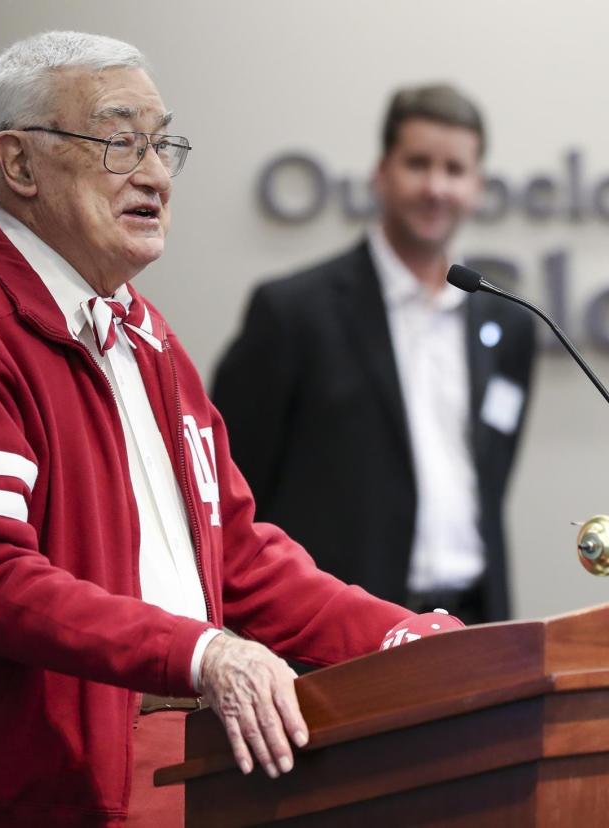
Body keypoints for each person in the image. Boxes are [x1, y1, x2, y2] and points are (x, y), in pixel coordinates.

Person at [0, 32, 449, 826]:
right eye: (119, 142)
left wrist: (409, 642)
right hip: (44, 797)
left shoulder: (149, 337)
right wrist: (203, 652)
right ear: (20, 164)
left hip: (194, 776)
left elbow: (241, 562)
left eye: (163, 144)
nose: (156, 174)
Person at [213, 84, 536, 625]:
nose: (436, 187)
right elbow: (229, 489)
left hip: (474, 623)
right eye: (418, 164)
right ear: (380, 173)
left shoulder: (507, 324)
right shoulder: (294, 313)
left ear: (477, 187)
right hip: (337, 634)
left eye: (455, 170)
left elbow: (491, 481)